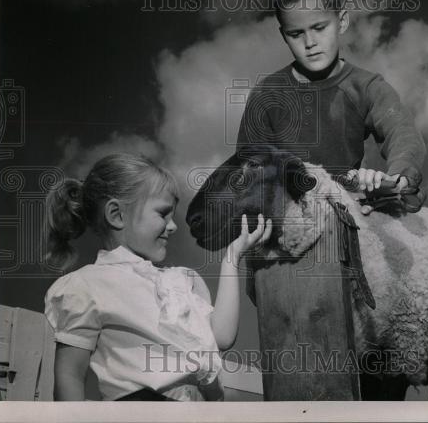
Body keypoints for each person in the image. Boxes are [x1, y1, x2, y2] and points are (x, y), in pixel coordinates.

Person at [43, 153, 272, 401]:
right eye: (163, 214)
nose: (173, 226)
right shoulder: (85, 286)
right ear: (117, 215)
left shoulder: (181, 281)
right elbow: (70, 377)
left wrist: (232, 257)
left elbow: (223, 337)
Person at [236, 0, 426, 213]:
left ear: (342, 21)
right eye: (296, 34)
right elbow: (247, 169)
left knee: (400, 209)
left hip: (348, 210)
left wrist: (399, 178)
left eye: (319, 27)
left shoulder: (367, 86)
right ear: (284, 35)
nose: (309, 43)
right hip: (289, 218)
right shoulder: (266, 94)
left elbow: (403, 133)